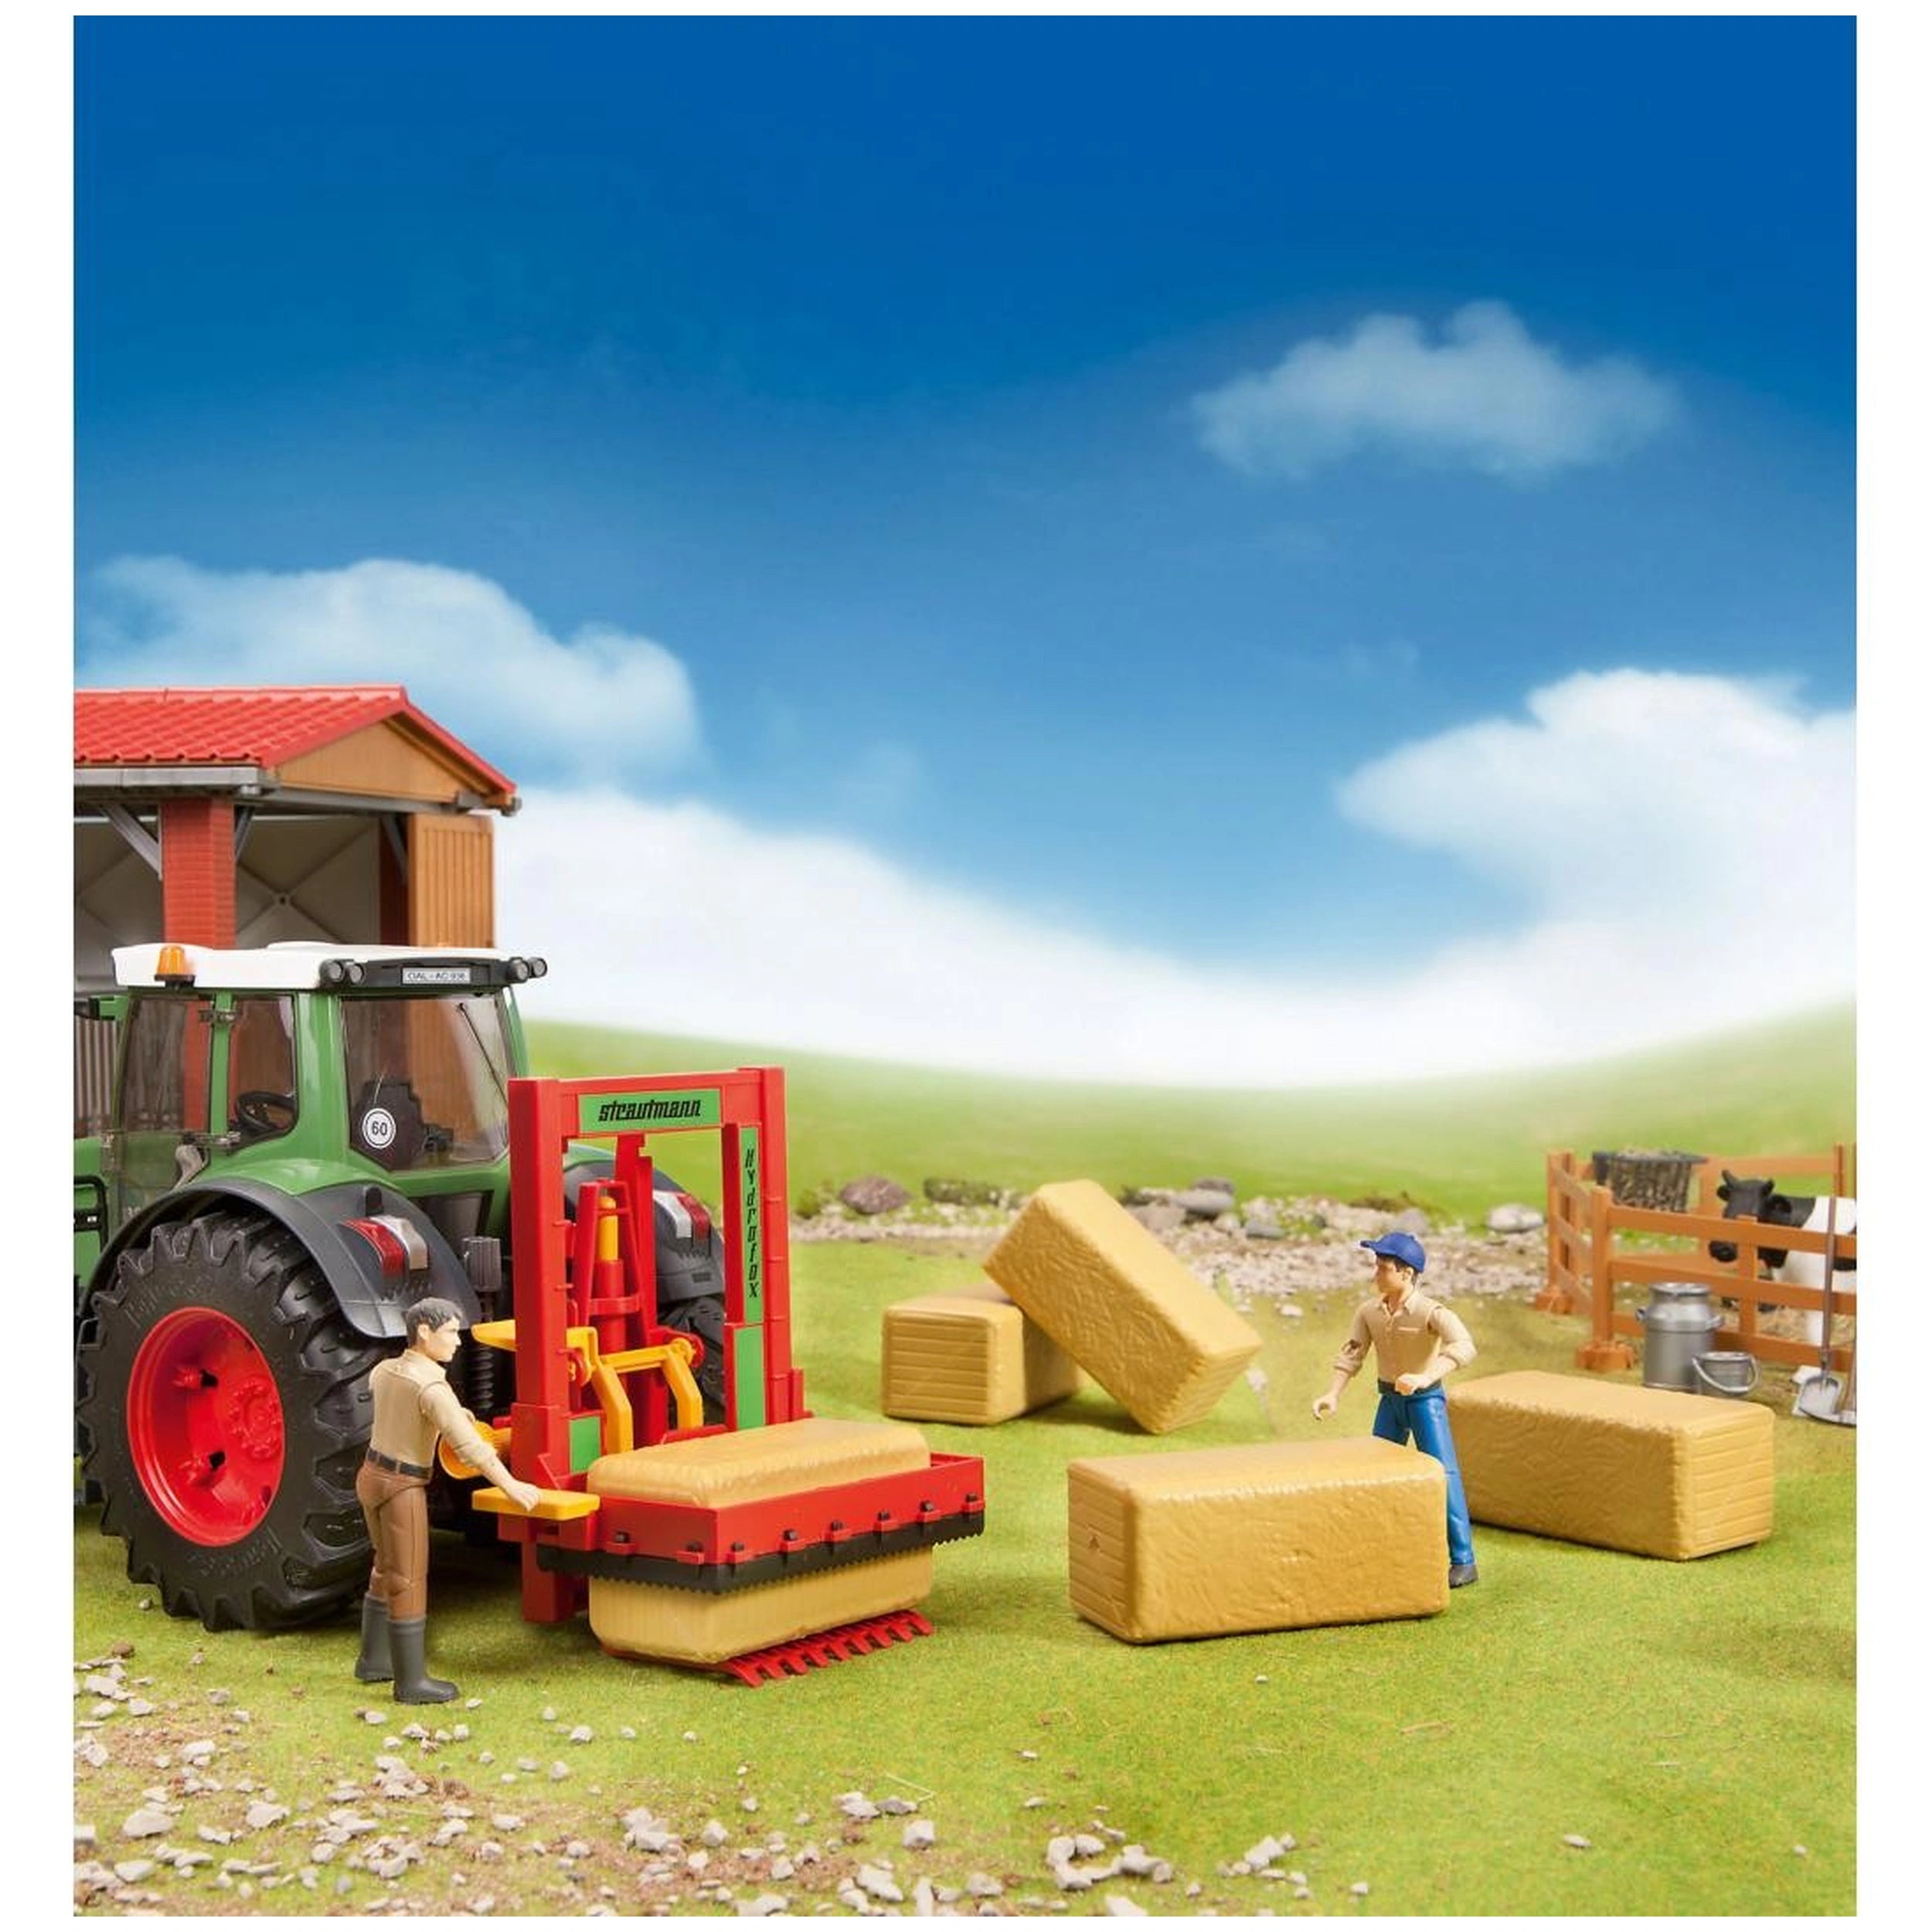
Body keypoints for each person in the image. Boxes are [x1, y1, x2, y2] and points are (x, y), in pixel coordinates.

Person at [355, 1296, 542, 1702]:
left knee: (383, 1566)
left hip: (370, 1476)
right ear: (424, 1332)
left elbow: (407, 1411)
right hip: (402, 1485)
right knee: (408, 1577)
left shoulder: (385, 1371)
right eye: (451, 1333)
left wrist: (455, 1415)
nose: (458, 1342)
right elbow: (473, 1449)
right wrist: (512, 1486)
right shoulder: (432, 1388)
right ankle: (411, 1683)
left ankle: (374, 1660)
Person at [1312, 1232, 1478, 1589]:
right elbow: (1352, 1354)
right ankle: (1370, 1548)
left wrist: (1426, 1377)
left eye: (1383, 1268)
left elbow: (1464, 1346)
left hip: (1425, 1402)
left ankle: (1463, 1559)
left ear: (1406, 1273)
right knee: (1375, 1471)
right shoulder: (1369, 1311)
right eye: (1376, 1266)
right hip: (1389, 1400)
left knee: (1443, 1473)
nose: (1376, 1274)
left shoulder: (1431, 1311)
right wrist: (1333, 1394)